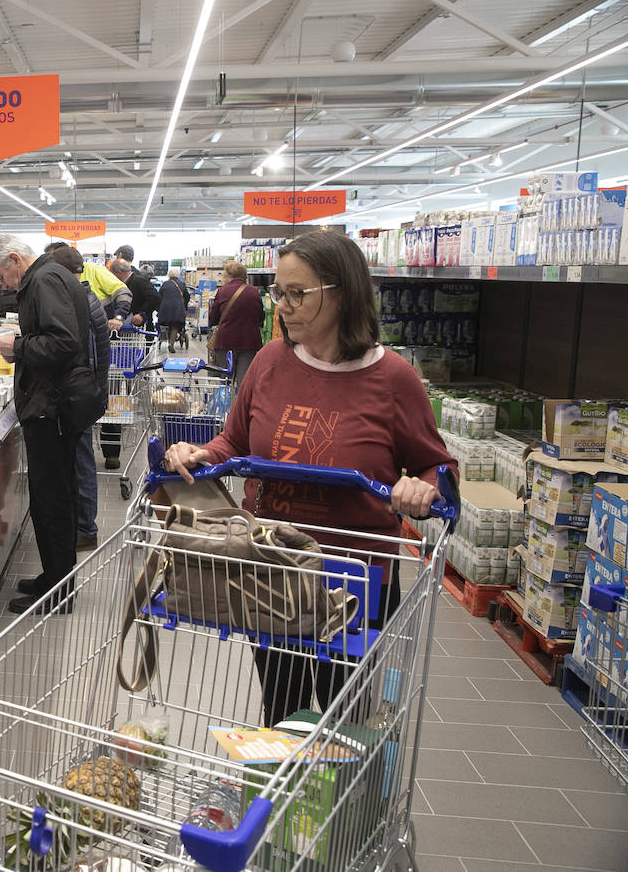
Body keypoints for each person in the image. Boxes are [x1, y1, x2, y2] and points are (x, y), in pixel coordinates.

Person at [162, 230, 456, 726]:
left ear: (343, 293)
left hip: (355, 579)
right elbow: (233, 441)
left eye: (298, 293)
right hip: (271, 568)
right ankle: (284, 801)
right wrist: (199, 452)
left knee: (350, 720)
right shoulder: (270, 362)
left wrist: (423, 485)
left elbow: (436, 465)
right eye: (279, 292)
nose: (284, 305)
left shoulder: (393, 379)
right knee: (282, 711)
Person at [0, 235, 85, 615]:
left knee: (52, 500)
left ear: (14, 259)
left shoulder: (42, 281)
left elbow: (63, 343)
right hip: (53, 403)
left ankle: (59, 591)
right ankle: (54, 576)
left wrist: (18, 347)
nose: (4, 286)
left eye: (2, 276)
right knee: (52, 497)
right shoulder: (50, 276)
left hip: (52, 408)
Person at [49, 244, 109, 552]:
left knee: (82, 463)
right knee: (82, 461)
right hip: (90, 395)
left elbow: (79, 357)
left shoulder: (77, 304)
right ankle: (84, 523)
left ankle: (86, 527)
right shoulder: (88, 298)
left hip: (81, 398)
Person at [208, 261, 265, 385]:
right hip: (249, 342)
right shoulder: (254, 292)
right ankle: (241, 404)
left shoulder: (222, 292)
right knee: (244, 382)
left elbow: (213, 318)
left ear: (229, 275)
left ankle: (227, 403)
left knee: (226, 380)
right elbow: (261, 317)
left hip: (226, 342)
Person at [110, 250, 159, 330]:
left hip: (139, 330)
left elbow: (155, 298)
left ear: (119, 273)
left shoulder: (138, 281)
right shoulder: (125, 283)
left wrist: (142, 314)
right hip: (127, 329)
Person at [158, 268, 189, 349]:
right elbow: (187, 296)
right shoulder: (182, 284)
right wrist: (184, 306)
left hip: (166, 309)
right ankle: (171, 344)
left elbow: (159, 296)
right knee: (175, 325)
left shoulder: (165, 284)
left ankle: (169, 343)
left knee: (169, 325)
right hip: (178, 308)